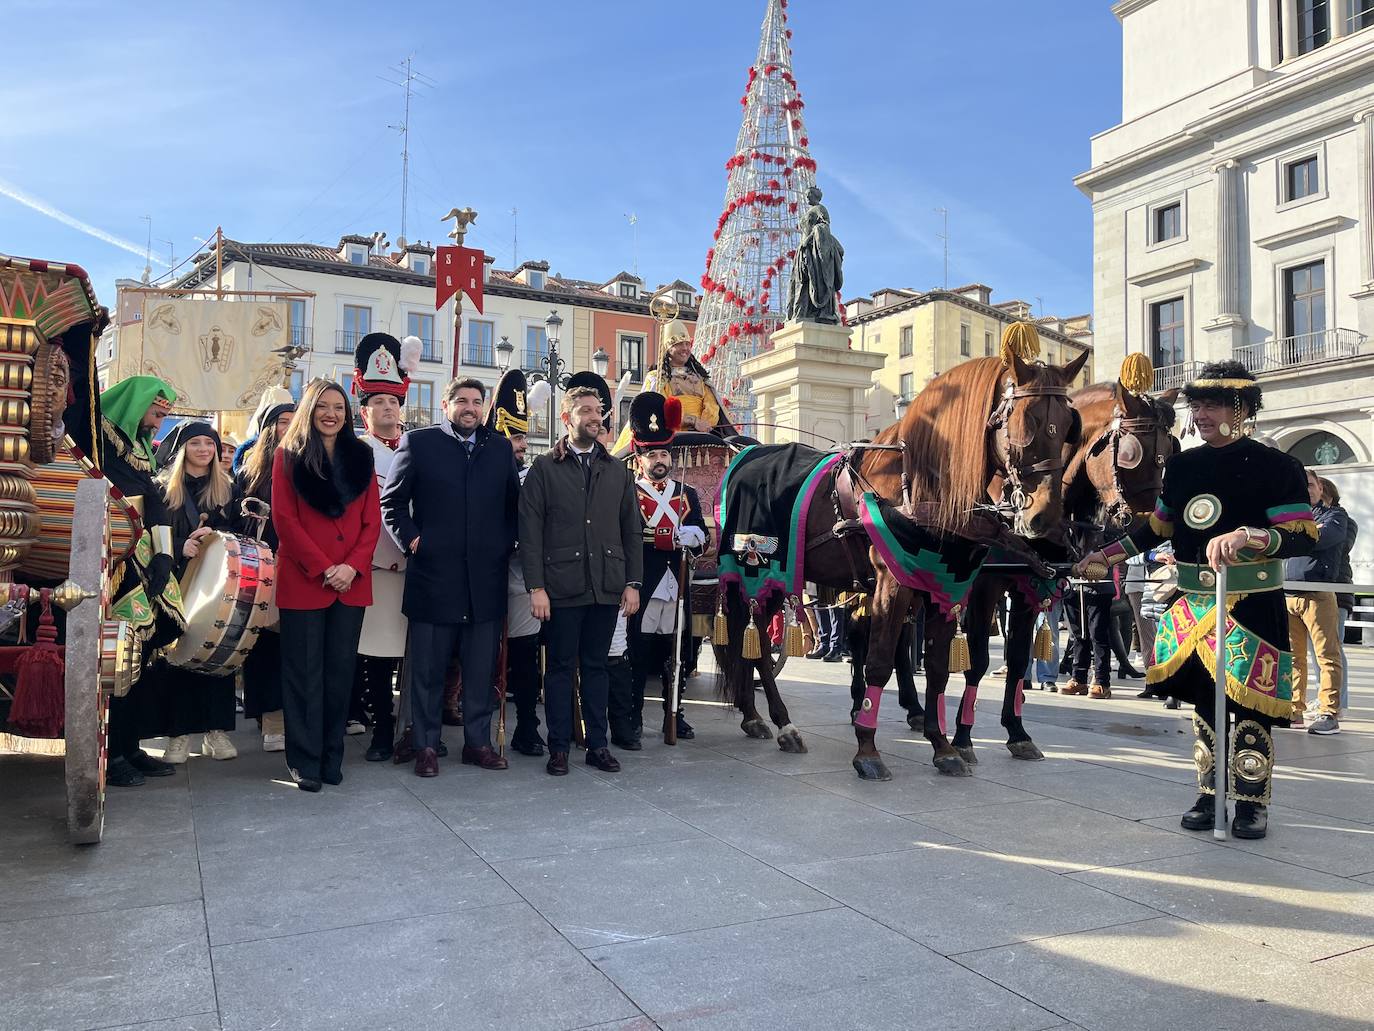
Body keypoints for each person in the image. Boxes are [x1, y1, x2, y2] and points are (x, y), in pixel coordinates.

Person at [1077, 361, 1316, 839]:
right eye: (1198, 404)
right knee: (1205, 705)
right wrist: (1105, 554)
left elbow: (1302, 533)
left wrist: (1250, 536)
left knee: (1252, 710)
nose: (1201, 414)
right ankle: (1209, 795)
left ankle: (1251, 802)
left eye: (1213, 404)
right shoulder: (1183, 466)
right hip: (1193, 604)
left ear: (1242, 408)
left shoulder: (1276, 466)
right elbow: (1160, 527)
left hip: (1251, 604)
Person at [381, 375, 519, 778]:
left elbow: (514, 507)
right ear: (446, 405)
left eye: (477, 401)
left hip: (484, 581)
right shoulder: (420, 443)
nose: (470, 408)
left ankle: (477, 743)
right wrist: (412, 541)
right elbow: (392, 503)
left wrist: (504, 544)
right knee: (427, 671)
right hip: (433, 579)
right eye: (462, 400)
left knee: (480, 671)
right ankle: (425, 744)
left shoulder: (499, 449)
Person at [520, 384, 642, 776]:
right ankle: (558, 748)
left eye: (599, 411)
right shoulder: (543, 469)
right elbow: (530, 532)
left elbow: (631, 531)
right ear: (567, 418)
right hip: (561, 586)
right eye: (586, 410)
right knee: (558, 668)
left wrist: (633, 583)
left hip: (606, 586)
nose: (595, 418)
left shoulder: (618, 470)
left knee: (596, 667)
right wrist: (535, 587)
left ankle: (598, 745)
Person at [271, 378, 380, 792]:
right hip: (305, 579)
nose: (331, 413)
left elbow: (372, 521)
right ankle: (304, 760)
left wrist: (350, 567)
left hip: (351, 582)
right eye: (323, 406)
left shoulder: (362, 456)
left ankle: (333, 756)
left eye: (339, 407)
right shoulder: (287, 457)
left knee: (339, 673)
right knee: (303, 674)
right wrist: (324, 568)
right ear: (309, 411)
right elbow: (285, 522)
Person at [98, 376, 185, 787]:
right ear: (136, 403)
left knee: (145, 653)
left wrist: (165, 555)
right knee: (120, 655)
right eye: (157, 410)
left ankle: (131, 746)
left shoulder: (140, 449)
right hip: (114, 557)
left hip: (146, 556)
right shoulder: (99, 440)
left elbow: (153, 503)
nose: (160, 419)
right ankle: (111, 753)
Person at [612, 393, 709, 749]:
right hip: (644, 584)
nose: (659, 460)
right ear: (639, 460)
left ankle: (675, 712)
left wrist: (694, 534)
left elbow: (702, 536)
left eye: (665, 454)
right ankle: (634, 714)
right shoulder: (627, 493)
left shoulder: (687, 494)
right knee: (637, 652)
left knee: (678, 654)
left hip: (677, 584)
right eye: (652, 454)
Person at [144, 421, 241, 764]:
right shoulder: (162, 489)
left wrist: (217, 539)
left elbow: (238, 535)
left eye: (209, 444)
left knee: (220, 653)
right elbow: (152, 534)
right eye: (196, 443)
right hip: (177, 581)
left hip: (216, 584)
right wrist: (179, 547)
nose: (203, 449)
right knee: (178, 655)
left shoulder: (228, 489)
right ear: (183, 448)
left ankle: (216, 732)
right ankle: (178, 735)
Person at [350, 333, 421, 762]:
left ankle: (413, 727)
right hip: (374, 567)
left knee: (416, 656)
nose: (388, 408)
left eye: (393, 402)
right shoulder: (356, 452)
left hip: (415, 567)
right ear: (365, 410)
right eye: (378, 402)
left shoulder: (421, 446)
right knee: (377, 656)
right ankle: (380, 731)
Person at [485, 368, 550, 755]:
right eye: (512, 436)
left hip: (520, 577)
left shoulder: (533, 477)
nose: (520, 444)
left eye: (523, 435)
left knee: (525, 658)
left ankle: (527, 726)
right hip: (479, 576)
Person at [233, 387, 296, 752]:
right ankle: (269, 715)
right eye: (281, 422)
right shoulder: (249, 470)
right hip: (262, 563)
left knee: (293, 643)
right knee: (264, 642)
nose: (287, 428)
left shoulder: (306, 464)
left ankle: (289, 714)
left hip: (298, 564)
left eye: (293, 422)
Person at [1284, 466, 1347, 735]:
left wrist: (1295, 537)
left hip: (1318, 594)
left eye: (1311, 485)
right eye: (1302, 485)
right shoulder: (1286, 516)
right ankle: (1294, 710)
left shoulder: (1335, 515)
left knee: (1327, 656)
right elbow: (1280, 544)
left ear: (1320, 488)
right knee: (1293, 659)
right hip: (1288, 595)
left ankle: (1329, 712)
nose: (1306, 490)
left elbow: (1321, 539)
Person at [611, 320, 733, 448]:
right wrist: (693, 421)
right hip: (670, 438)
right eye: (679, 344)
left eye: (687, 344)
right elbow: (660, 408)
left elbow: (712, 406)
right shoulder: (657, 379)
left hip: (703, 436)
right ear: (668, 348)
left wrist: (704, 424)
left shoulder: (701, 379)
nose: (685, 348)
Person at [1320, 477, 1357, 711]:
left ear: (1328, 497)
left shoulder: (1345, 521)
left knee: (1333, 648)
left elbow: (1336, 545)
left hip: (1337, 590)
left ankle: (1339, 700)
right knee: (1318, 651)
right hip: (1317, 589)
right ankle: (1324, 694)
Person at [1061, 575, 1114, 699]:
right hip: (1072, 585)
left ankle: (1102, 681)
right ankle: (1078, 679)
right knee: (1076, 634)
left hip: (1099, 586)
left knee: (1098, 634)